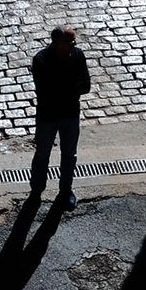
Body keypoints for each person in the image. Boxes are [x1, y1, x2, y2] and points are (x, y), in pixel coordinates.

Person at [29, 25, 90, 210]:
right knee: (42, 154)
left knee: (69, 155)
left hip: (70, 114)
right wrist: (71, 86)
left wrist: (64, 87)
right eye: (70, 42)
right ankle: (36, 191)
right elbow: (46, 92)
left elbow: (85, 86)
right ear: (57, 43)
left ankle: (66, 190)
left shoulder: (78, 55)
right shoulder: (41, 60)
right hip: (48, 115)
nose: (74, 45)